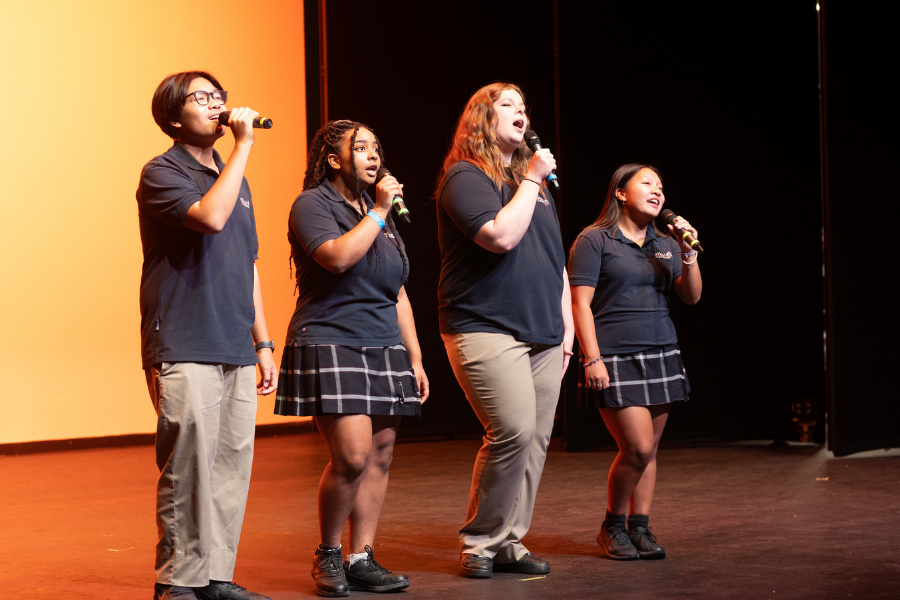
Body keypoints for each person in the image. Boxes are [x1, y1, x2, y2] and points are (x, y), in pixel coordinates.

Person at [137, 71, 278, 600]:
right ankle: (176, 581)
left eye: (220, 96)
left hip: (235, 343)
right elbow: (210, 218)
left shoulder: (231, 175)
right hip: (184, 336)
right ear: (175, 116)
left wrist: (262, 342)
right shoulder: (162, 172)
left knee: (229, 466)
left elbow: (250, 265)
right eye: (202, 98)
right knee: (188, 467)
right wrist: (243, 145)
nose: (218, 104)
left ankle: (215, 576)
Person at [274, 120, 429, 597]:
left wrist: (416, 359)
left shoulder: (374, 212)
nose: (373, 156)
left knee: (379, 456)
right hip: (331, 339)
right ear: (333, 158)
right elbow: (337, 258)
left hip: (385, 344)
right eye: (360, 148)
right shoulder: (313, 205)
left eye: (376, 148)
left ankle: (362, 557)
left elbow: (398, 292)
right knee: (353, 456)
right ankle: (328, 553)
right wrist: (380, 212)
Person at [434, 83, 574, 578]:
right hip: (485, 324)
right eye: (508, 105)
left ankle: (510, 540)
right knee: (511, 430)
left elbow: (555, 261)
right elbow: (499, 237)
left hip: (544, 330)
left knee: (536, 438)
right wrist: (534, 179)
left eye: (524, 105)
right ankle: (479, 541)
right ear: (481, 119)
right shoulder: (464, 176)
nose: (522, 112)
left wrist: (568, 327)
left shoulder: (534, 186)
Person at [568, 164, 703, 561]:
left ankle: (639, 527)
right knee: (638, 447)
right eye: (647, 183)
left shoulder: (665, 242)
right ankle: (612, 524)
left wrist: (689, 252)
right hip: (614, 354)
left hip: (661, 350)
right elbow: (580, 304)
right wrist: (591, 358)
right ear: (620, 193)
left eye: (661, 185)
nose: (657, 191)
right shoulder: (595, 240)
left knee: (652, 449)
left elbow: (691, 297)